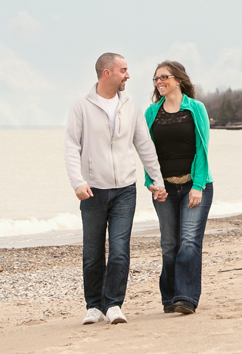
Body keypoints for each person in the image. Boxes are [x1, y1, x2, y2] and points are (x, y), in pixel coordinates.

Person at [64, 52, 167, 325]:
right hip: (92, 190)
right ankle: (94, 306)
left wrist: (157, 181)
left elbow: (144, 144)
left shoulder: (130, 105)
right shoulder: (81, 106)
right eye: (123, 70)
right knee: (93, 251)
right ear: (107, 73)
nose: (128, 75)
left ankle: (113, 305)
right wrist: (77, 182)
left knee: (120, 249)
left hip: (124, 189)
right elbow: (72, 146)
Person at [145, 60, 213, 315]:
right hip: (164, 190)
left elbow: (202, 150)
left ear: (179, 80)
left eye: (164, 77)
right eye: (156, 78)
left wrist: (197, 186)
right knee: (169, 244)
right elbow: (147, 151)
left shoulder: (196, 109)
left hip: (195, 186)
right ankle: (170, 297)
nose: (159, 82)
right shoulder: (151, 113)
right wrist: (153, 183)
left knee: (188, 241)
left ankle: (186, 297)